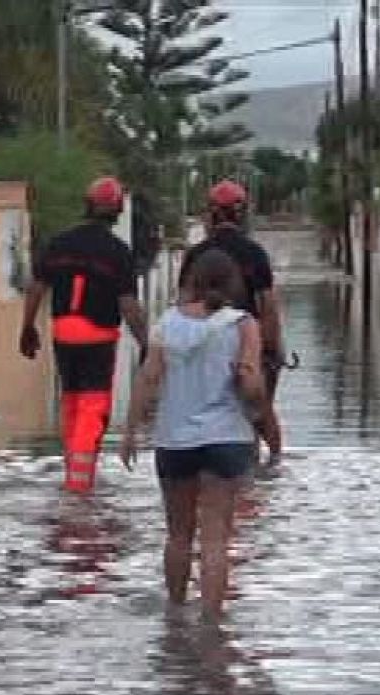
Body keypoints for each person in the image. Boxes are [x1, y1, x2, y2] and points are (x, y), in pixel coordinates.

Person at [121, 248, 266, 611]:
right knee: (216, 539)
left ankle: (174, 616)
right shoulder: (243, 324)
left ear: (191, 282)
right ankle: (212, 624)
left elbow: (148, 378)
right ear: (232, 284)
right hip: (227, 438)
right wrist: (258, 405)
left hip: (174, 442)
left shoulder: (167, 324)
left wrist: (130, 431)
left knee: (178, 535)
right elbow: (250, 382)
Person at [20, 176, 148, 493]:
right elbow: (129, 305)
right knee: (93, 408)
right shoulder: (118, 252)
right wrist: (147, 343)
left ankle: (73, 469)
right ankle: (79, 484)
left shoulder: (59, 242)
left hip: (63, 332)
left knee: (72, 401)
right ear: (117, 211)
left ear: (87, 205)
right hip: (99, 335)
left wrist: (27, 327)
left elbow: (37, 286)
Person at [177, 180, 288, 465]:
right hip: (248, 346)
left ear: (210, 214)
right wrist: (273, 350)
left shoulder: (195, 255)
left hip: (204, 350)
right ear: (243, 214)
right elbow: (269, 307)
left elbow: (183, 306)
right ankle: (269, 470)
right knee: (258, 412)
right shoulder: (254, 254)